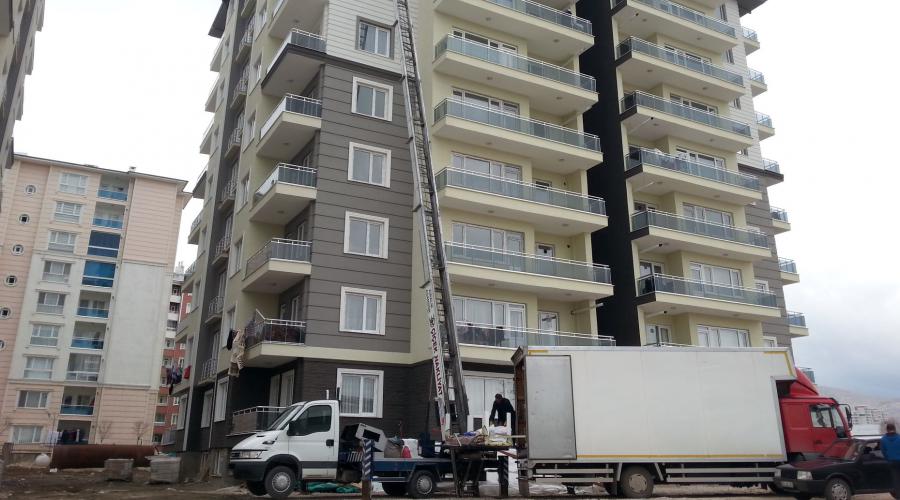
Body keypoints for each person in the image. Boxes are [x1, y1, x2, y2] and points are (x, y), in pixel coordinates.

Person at [882, 422, 900, 497]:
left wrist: (888, 459)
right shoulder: (899, 438)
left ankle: (898, 496)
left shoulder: (883, 439)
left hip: (892, 462)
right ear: (894, 429)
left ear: (887, 430)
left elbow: (883, 451)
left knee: (896, 480)